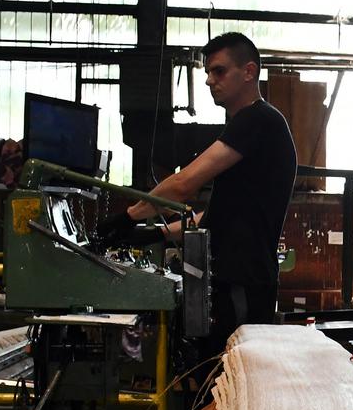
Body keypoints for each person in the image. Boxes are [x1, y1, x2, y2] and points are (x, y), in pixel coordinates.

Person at [100, 31, 298, 356]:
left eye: (218, 71)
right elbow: (216, 214)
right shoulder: (250, 125)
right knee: (217, 369)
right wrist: (157, 234)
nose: (208, 81)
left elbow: (183, 184)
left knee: (229, 371)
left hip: (242, 280)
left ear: (249, 72)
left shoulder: (257, 120)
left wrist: (128, 216)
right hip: (238, 280)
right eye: (207, 73)